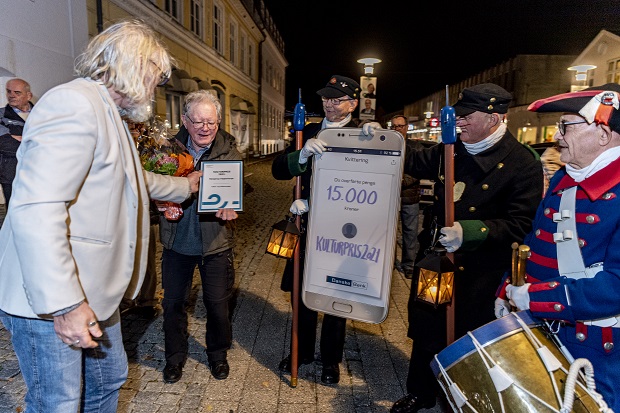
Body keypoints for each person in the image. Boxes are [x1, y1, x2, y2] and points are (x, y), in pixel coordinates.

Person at [0, 20, 202, 412]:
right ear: (131, 65)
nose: (156, 86)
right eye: (154, 75)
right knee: (57, 403)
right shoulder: (73, 104)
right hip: (51, 299)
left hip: (94, 292)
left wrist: (185, 186)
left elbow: (130, 177)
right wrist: (65, 305)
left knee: (108, 381)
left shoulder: (107, 113)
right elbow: (36, 210)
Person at [391, 83, 543, 413]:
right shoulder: (451, 148)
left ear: (494, 118)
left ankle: (461, 400)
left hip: (479, 272)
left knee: (467, 335)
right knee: (427, 328)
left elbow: (522, 225)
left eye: (466, 117)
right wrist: (383, 140)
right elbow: (413, 163)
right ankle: (420, 391)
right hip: (436, 262)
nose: (458, 123)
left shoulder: (522, 162)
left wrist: (469, 232)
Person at [498, 83, 620, 412]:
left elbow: (615, 285)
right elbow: (535, 243)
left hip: (596, 350)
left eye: (566, 126)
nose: (557, 136)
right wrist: (509, 287)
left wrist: (536, 299)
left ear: (604, 134)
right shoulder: (565, 178)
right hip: (546, 330)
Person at [272, 74, 379, 385]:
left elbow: (375, 183)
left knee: (336, 295)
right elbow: (279, 170)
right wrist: (301, 156)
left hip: (344, 232)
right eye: (326, 99)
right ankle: (302, 351)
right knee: (303, 293)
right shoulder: (308, 132)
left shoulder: (363, 135)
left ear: (354, 104)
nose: (330, 105)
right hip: (307, 228)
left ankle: (331, 359)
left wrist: (378, 142)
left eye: (338, 99)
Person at [160, 90, 241, 384]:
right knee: (172, 305)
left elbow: (238, 187)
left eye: (211, 122)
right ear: (185, 120)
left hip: (214, 243)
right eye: (198, 122)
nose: (205, 128)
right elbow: (152, 189)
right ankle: (174, 359)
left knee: (218, 306)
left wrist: (234, 205)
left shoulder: (228, 149)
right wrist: (159, 201)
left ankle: (218, 355)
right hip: (177, 241)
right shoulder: (167, 150)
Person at [391, 115, 423, 279]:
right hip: (391, 198)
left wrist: (400, 181)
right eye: (394, 126)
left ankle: (409, 265)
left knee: (410, 233)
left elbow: (418, 170)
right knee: (389, 233)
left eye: (400, 126)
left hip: (410, 198)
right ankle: (390, 264)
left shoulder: (415, 146)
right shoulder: (388, 143)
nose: (397, 129)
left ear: (406, 127)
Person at [0, 78, 34, 207]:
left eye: (17, 92)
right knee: (15, 211)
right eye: (9, 91)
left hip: (40, 170)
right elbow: (3, 142)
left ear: (28, 95)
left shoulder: (42, 114)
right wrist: (33, 142)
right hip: (11, 173)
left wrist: (21, 138)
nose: (11, 95)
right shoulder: (1, 115)